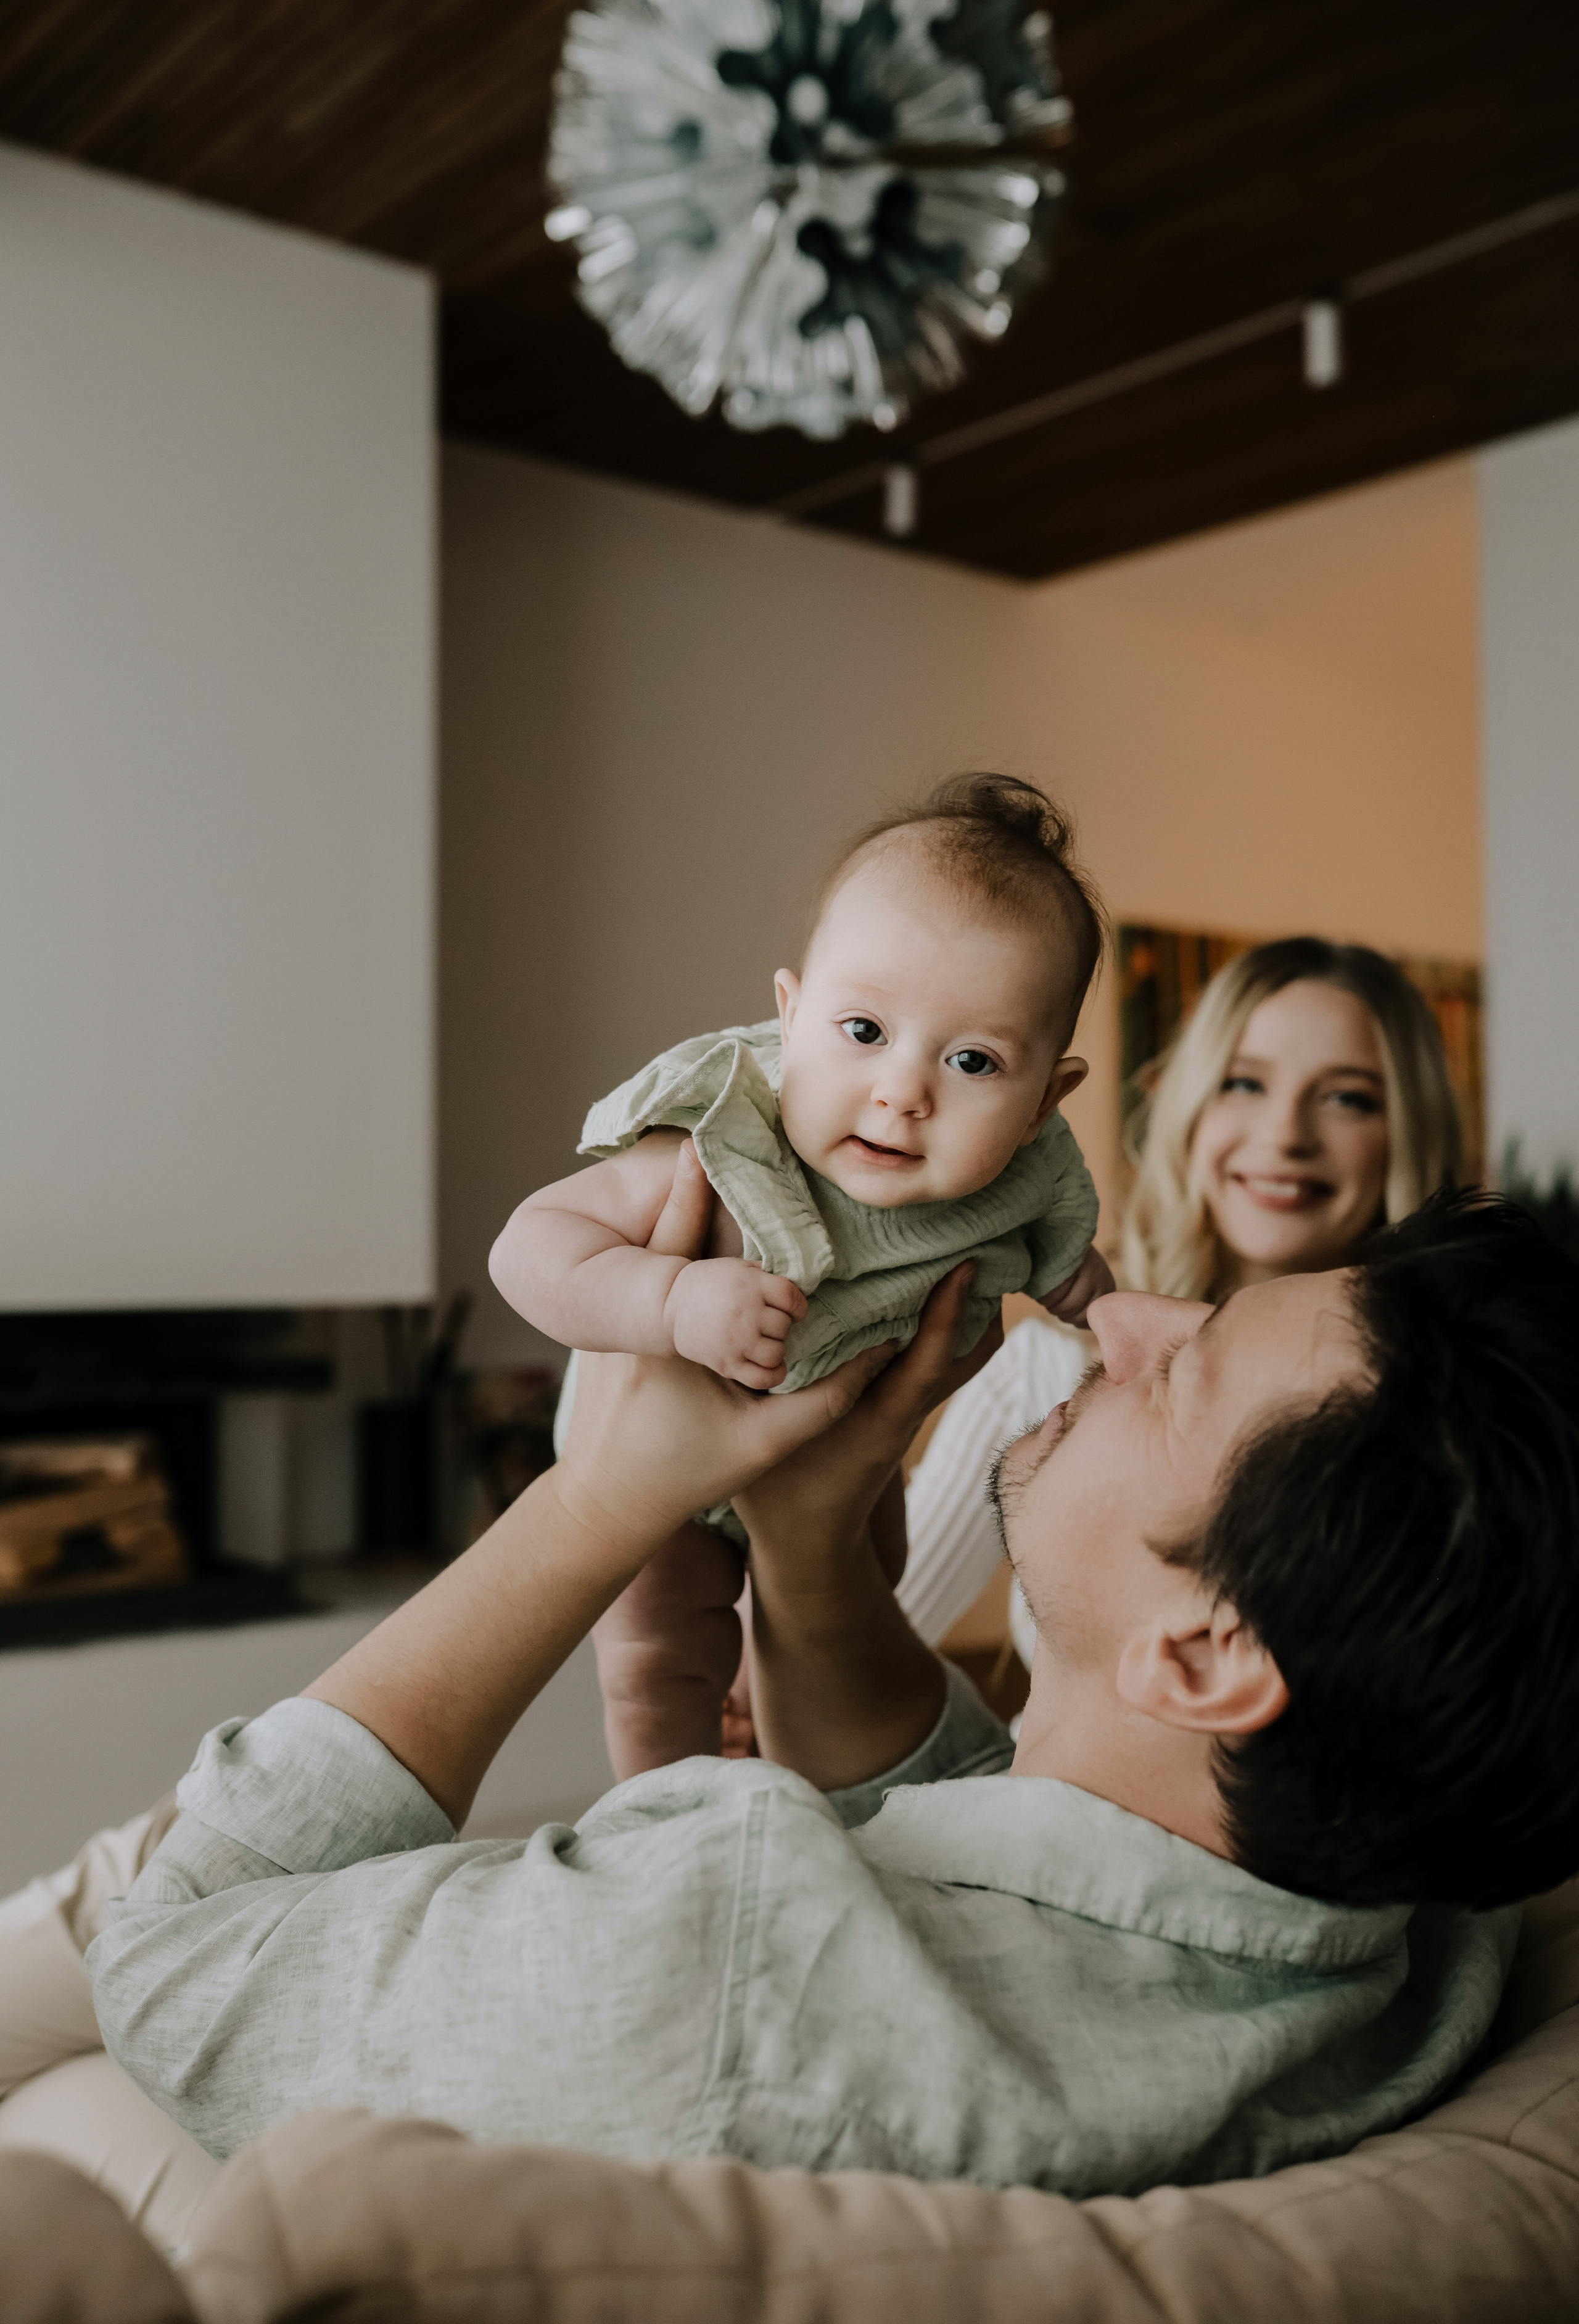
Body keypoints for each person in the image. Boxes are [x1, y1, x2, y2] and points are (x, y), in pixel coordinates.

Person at [89, 1169, 1579, 2199]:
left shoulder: (729, 1950)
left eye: (1178, 1373)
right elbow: (1016, 1870)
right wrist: (810, 1549)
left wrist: (594, 1496)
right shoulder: (1412, 1939)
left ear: (1201, 1652)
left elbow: (174, 1961)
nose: (1116, 1316)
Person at [493, 773, 1114, 1766]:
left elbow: (1073, 1271)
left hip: (842, 1476)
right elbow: (527, 1248)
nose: (902, 1091)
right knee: (661, 1654)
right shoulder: (726, 1128)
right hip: (657, 1472)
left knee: (855, 1604)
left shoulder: (1022, 1181)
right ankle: (659, 1829)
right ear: (790, 1019)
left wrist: (1108, 1312)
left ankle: (784, 1793)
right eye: (863, 1032)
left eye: (974, 1063)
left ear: (1045, 1101)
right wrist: (672, 1297)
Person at [894, 934, 1465, 1660]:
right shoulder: (1045, 1374)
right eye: (1243, 1083)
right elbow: (854, 1655)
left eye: (1346, 1098)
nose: (1284, 1134)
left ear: (1406, 1133)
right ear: (1191, 1106)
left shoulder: (1450, 1413)